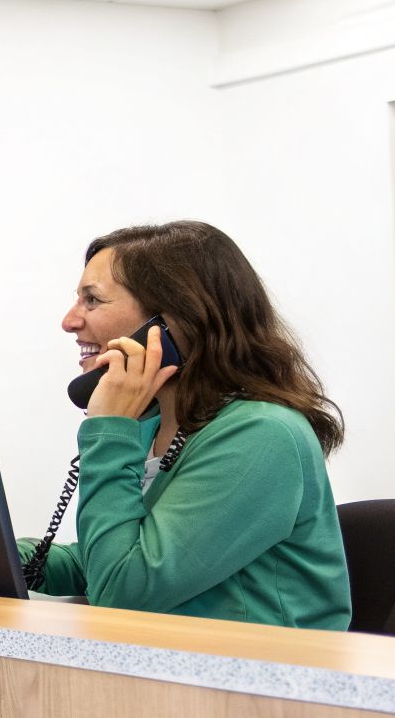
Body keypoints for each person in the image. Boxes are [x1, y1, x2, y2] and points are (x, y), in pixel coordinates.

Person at [18, 221, 351, 629]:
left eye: (92, 301)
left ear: (170, 324)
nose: (69, 321)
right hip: (181, 671)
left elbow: (123, 592)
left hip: (259, 682)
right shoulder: (156, 428)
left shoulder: (262, 435)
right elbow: (105, 558)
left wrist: (108, 430)